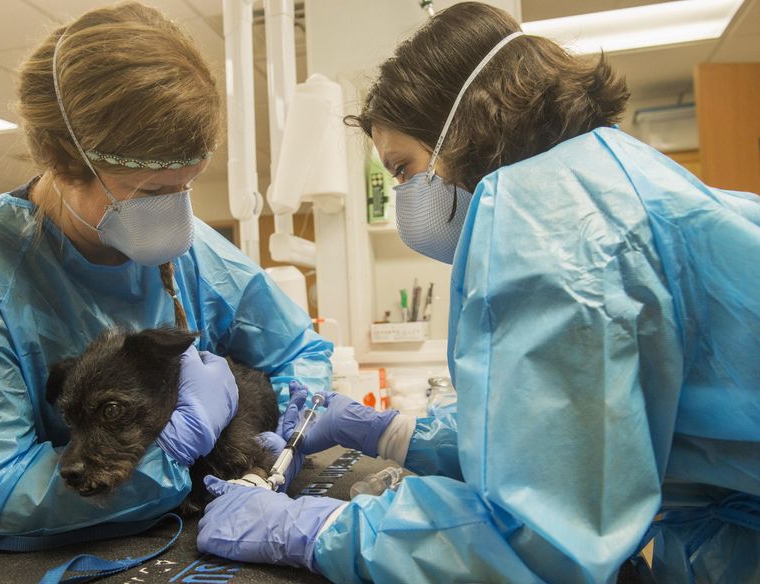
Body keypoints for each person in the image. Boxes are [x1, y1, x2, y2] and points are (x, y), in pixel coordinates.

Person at [196, 3, 760, 583]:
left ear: (463, 131)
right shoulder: (601, 179)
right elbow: (565, 441)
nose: (405, 195)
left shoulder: (553, 228)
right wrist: (391, 433)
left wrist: (313, 530)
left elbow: (541, 540)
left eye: (403, 169)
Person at [0, 2, 331, 578]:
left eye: (187, 185)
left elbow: (299, 354)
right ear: (63, 162)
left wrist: (272, 444)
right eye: (150, 191)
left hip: (153, 540)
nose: (175, 216)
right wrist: (174, 450)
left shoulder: (192, 252)